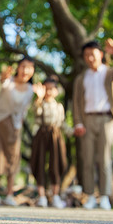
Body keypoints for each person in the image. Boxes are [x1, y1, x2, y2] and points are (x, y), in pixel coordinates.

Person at [73, 38, 113, 210]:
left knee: (104, 157)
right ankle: (90, 195)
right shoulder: (81, 78)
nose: (90, 58)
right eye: (86, 55)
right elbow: (76, 103)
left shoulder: (110, 72)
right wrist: (77, 123)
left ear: (100, 54)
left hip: (107, 119)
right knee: (87, 158)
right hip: (87, 120)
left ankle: (105, 196)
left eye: (93, 54)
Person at [0, 56, 35, 206]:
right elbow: (3, 82)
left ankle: (9, 195)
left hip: (15, 127)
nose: (25, 70)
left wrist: (39, 99)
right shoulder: (9, 83)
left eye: (29, 67)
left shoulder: (31, 90)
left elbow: (26, 110)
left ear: (33, 71)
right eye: (23, 66)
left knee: (13, 160)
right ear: (17, 68)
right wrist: (3, 77)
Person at [31, 76, 71, 208]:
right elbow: (36, 114)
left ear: (56, 91)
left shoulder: (59, 106)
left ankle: (55, 195)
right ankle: (42, 196)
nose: (48, 91)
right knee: (40, 162)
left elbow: (62, 123)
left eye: (51, 89)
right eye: (46, 88)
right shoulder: (39, 104)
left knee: (56, 163)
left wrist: (72, 131)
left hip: (55, 134)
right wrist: (39, 98)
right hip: (42, 134)